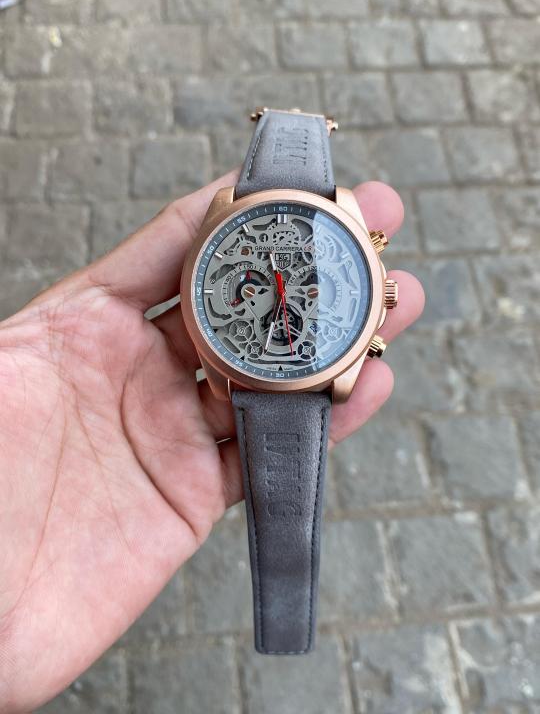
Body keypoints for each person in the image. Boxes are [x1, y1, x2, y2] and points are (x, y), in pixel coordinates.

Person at [0, 171, 424, 712]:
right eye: (264, 286)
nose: (284, 290)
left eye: (306, 286)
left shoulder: (261, 228)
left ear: (378, 298)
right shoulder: (244, 255)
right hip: (255, 363)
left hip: (291, 364)